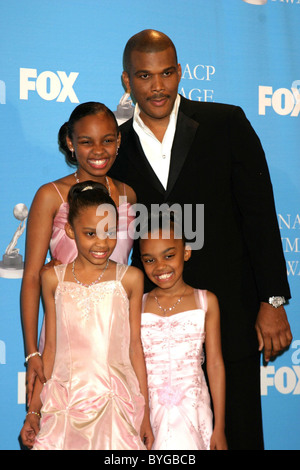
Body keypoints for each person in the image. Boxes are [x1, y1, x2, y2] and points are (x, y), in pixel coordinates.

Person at [108, 29, 293, 449]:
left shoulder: (226, 123)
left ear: (179, 72)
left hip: (229, 316)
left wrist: (274, 300)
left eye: (167, 73)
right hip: (151, 335)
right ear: (126, 81)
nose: (158, 87)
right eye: (144, 76)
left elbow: (260, 216)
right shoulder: (111, 146)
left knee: (237, 437)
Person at [20, 181, 153, 450]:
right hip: (65, 403)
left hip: (116, 401)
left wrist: (146, 413)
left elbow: (135, 347)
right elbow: (51, 351)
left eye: (110, 231)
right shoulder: (52, 279)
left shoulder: (131, 279)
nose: (102, 243)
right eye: (90, 233)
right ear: (70, 230)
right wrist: (34, 411)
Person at [21, 102, 136, 406]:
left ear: (118, 141)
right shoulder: (51, 195)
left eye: (107, 140)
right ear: (71, 143)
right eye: (86, 141)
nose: (98, 150)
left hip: (115, 337)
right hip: (65, 338)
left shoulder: (128, 195)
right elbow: (33, 276)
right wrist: (32, 351)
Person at [139, 212, 227, 450]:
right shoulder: (137, 304)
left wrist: (219, 427)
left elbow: (215, 364)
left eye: (169, 255)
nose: (160, 266)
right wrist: (143, 417)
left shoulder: (206, 301)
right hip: (148, 415)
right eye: (149, 260)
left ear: (186, 252)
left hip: (194, 411)